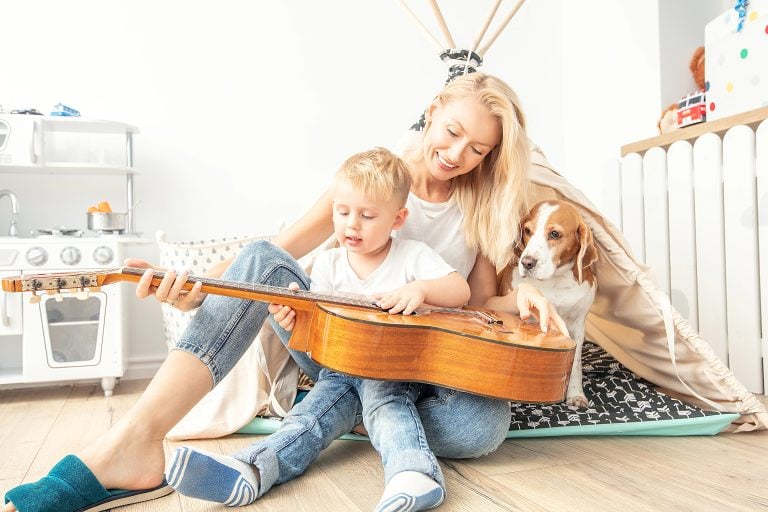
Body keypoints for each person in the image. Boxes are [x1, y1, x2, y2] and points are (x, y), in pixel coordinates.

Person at [3, 72, 568, 512]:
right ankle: (134, 441)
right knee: (263, 261)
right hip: (337, 343)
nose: (458, 155)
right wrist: (197, 292)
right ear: (432, 110)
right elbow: (274, 253)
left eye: (479, 149)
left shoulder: (484, 206)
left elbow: (477, 301)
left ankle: (339, 411)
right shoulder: (370, 178)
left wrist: (521, 299)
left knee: (482, 428)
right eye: (453, 132)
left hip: (421, 362)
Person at [165, 147, 470, 509]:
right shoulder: (328, 263)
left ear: (398, 219)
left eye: (368, 216)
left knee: (386, 404)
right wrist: (295, 320)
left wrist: (420, 289)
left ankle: (414, 474)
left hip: (393, 370)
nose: (351, 224)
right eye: (342, 213)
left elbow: (460, 291)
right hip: (338, 373)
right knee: (309, 418)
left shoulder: (413, 255)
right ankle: (250, 471)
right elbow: (319, 335)